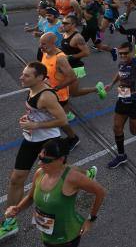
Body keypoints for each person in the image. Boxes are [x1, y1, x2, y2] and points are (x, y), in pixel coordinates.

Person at [0, 62, 70, 241]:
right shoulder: (32, 88)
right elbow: (38, 112)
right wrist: (29, 118)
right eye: (23, 74)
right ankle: (10, 223)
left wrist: (36, 124)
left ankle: (84, 177)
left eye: (26, 75)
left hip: (48, 142)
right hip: (31, 139)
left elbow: (62, 119)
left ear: (39, 78)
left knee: (56, 183)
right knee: (16, 179)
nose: (21, 77)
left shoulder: (46, 96)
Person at [4, 138, 106, 247]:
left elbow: (100, 192)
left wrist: (90, 220)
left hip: (67, 239)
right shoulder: (40, 173)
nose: (40, 163)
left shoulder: (72, 178)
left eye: (46, 160)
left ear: (61, 159)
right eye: (40, 158)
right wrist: (17, 208)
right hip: (47, 237)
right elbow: (30, 197)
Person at [39, 33, 80, 150]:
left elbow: (72, 77)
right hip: (48, 93)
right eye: (40, 43)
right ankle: (60, 139)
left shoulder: (60, 58)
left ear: (53, 43)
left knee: (58, 120)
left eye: (44, 44)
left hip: (58, 96)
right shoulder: (45, 52)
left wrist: (56, 87)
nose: (41, 46)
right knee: (53, 119)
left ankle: (72, 138)